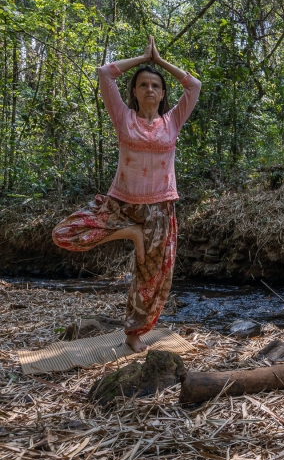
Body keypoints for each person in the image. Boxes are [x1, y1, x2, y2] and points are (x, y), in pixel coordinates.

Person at [52, 36, 201, 353]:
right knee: (63, 233)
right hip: (120, 206)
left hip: (159, 210)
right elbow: (105, 73)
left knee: (149, 278)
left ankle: (134, 335)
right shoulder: (124, 118)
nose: (150, 89)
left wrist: (160, 62)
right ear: (134, 91)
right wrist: (141, 58)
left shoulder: (172, 121)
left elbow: (195, 86)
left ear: (162, 95)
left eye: (156, 86)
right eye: (143, 85)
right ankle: (130, 233)